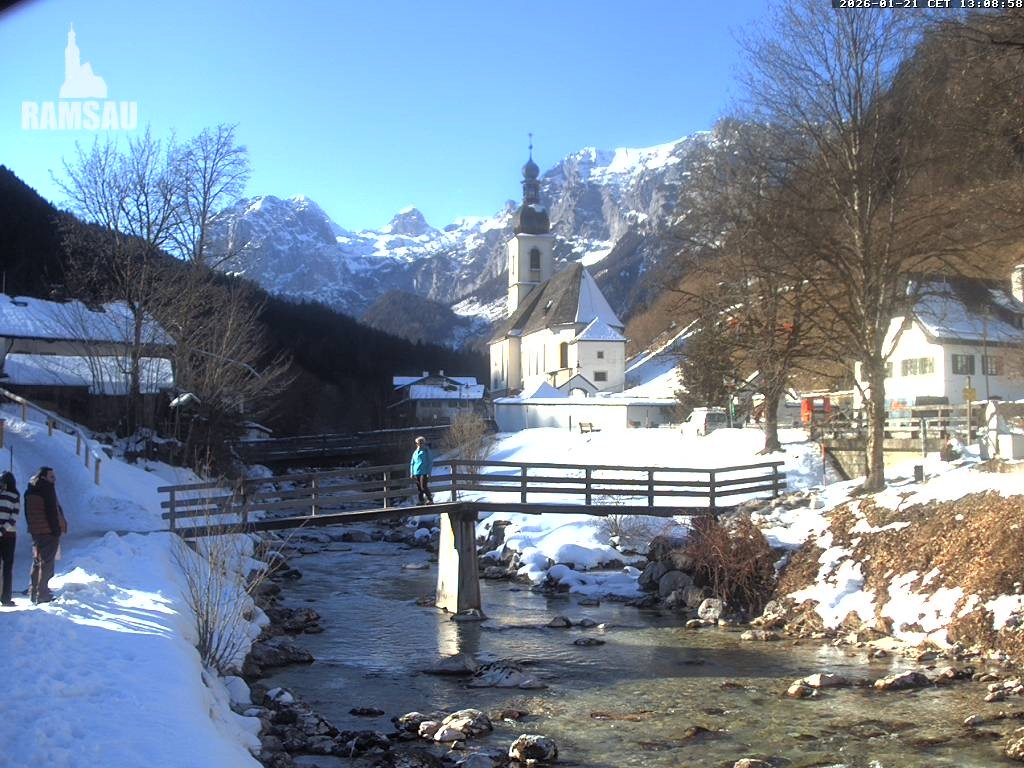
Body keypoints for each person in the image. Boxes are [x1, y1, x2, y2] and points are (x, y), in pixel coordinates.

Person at [24, 466, 66, 604]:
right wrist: (56, 530)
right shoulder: (47, 489)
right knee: (47, 564)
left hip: (35, 531)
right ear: (44, 477)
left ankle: (33, 591)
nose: (54, 479)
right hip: (48, 531)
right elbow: (51, 512)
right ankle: (42, 594)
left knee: (36, 562)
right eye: (52, 477)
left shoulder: (30, 490)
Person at [0, 471, 19, 606]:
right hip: (9, 536)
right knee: (8, 567)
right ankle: (6, 597)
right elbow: (14, 517)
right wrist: (3, 529)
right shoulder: (15, 496)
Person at [410, 436, 434, 505]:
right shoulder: (415, 452)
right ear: (416, 444)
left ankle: (430, 499)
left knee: (423, 486)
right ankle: (421, 501)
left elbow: (430, 462)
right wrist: (411, 473)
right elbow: (412, 463)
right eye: (418, 443)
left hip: (424, 472)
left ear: (424, 443)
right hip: (416, 472)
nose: (420, 444)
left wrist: (429, 472)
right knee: (419, 488)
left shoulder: (426, 451)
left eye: (421, 443)